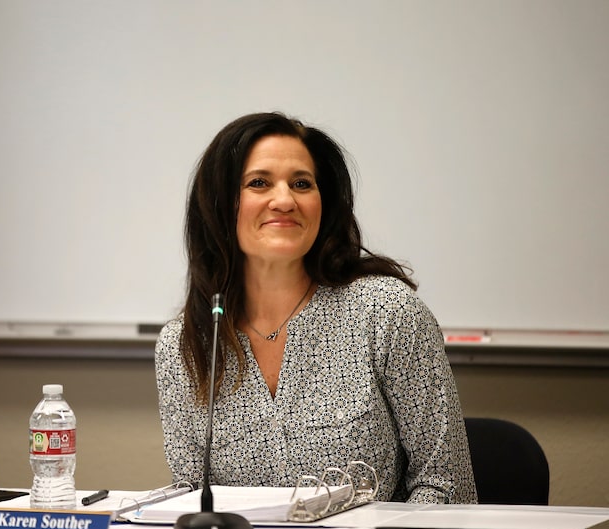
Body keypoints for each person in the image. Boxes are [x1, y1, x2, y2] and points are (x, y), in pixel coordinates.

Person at [155, 112, 477, 504]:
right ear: (220, 205)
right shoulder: (185, 343)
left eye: (302, 184)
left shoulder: (387, 312)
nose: (285, 200)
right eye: (259, 182)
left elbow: (446, 488)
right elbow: (189, 498)